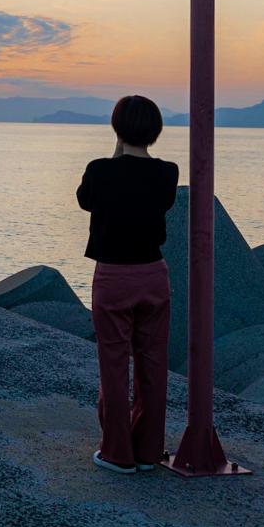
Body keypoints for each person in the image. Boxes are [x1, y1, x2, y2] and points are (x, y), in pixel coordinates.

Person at [75, 94, 178, 474]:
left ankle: (117, 452)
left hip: (114, 276)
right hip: (153, 273)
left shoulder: (100, 170)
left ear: (117, 129)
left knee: (114, 364)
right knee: (154, 363)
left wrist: (116, 152)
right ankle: (148, 451)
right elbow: (160, 202)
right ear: (156, 131)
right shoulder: (168, 173)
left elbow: (86, 201)